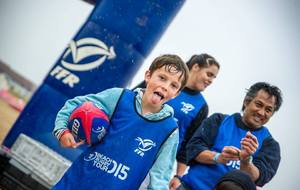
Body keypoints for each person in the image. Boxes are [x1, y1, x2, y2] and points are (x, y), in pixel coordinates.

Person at [52, 54, 189, 190]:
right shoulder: (119, 97)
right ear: (148, 75)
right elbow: (74, 105)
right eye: (162, 78)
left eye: (173, 85)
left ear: (176, 94)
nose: (165, 86)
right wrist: (62, 131)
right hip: (74, 184)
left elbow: (160, 177)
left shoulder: (169, 130)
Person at [134, 54, 220, 189]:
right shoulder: (160, 81)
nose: (210, 80)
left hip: (159, 160)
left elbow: (189, 143)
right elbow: (131, 100)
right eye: (209, 74)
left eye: (213, 78)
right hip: (133, 142)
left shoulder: (201, 106)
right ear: (196, 67)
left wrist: (178, 175)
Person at [176, 82, 283, 190]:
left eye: (268, 110)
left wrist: (246, 160)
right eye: (258, 104)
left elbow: (258, 179)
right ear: (246, 101)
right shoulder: (218, 120)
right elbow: (193, 150)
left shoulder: (270, 145)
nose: (261, 112)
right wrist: (219, 157)